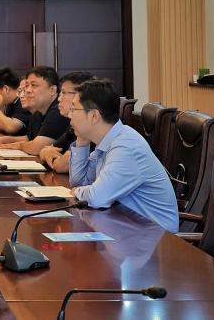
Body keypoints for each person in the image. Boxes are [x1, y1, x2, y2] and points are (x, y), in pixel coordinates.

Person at [68, 79, 178, 233]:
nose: (69, 115)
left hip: (157, 238)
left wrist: (76, 192)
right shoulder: (108, 141)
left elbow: (97, 198)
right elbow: (79, 181)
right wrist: (82, 141)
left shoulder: (125, 146)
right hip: (130, 227)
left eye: (73, 109)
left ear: (94, 116)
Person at [0, 66, 70, 155]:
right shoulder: (37, 113)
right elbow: (30, 138)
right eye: (27, 86)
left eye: (34, 85)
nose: (27, 91)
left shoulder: (58, 111)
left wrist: (18, 145)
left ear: (52, 90)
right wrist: (5, 140)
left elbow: (36, 147)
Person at [39, 71, 95, 173]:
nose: (59, 99)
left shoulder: (91, 125)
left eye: (64, 93)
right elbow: (44, 150)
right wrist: (46, 152)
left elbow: (62, 166)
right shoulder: (72, 125)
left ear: (80, 95)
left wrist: (53, 159)